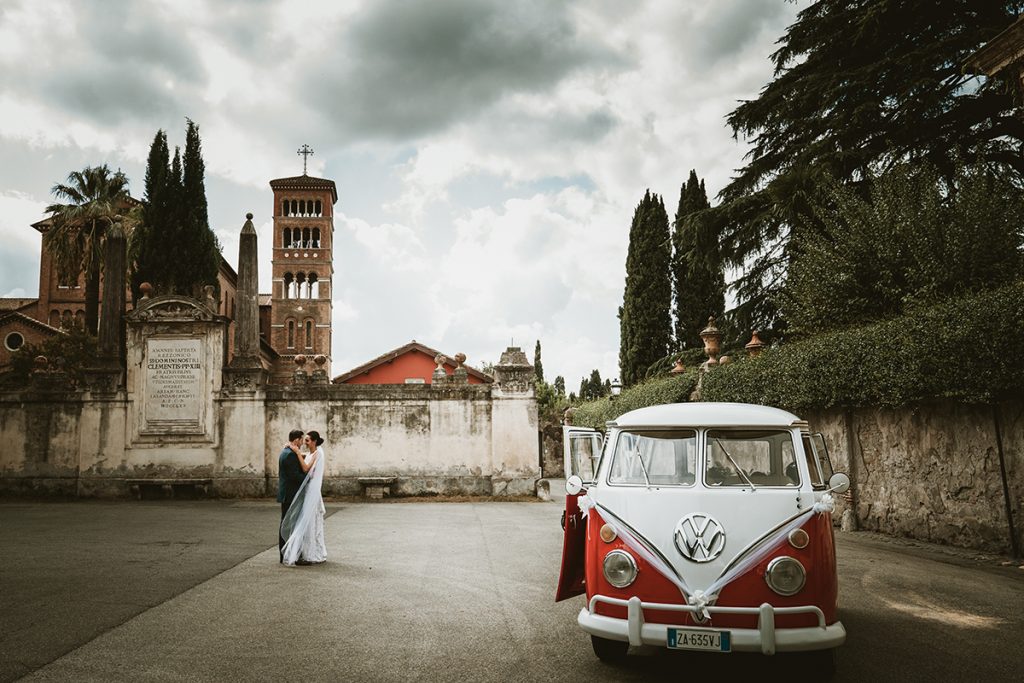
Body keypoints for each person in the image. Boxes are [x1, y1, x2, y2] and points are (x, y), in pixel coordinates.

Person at [280, 430, 327, 566]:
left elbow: (306, 468)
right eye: (304, 440)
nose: (304, 443)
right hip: (307, 490)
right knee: (307, 521)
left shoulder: (318, 453)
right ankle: (306, 551)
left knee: (310, 521)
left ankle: (313, 553)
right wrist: (293, 449)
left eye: (307, 440)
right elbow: (306, 455)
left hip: (311, 491)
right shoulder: (312, 453)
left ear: (314, 441)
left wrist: (296, 452)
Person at [277, 429, 306, 564]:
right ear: (296, 440)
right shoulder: (290, 455)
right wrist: (308, 476)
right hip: (290, 494)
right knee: (291, 524)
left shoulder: (286, 452)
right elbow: (295, 476)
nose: (302, 443)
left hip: (286, 493)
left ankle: (285, 554)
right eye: (301, 440)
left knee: (286, 523)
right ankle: (291, 554)